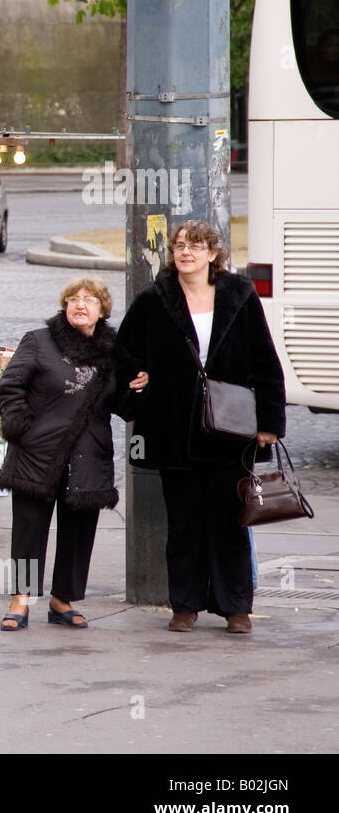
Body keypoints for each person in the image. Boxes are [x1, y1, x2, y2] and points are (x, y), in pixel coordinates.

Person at [115, 220, 286, 635]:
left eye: (195, 246)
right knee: (184, 523)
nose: (185, 252)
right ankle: (185, 605)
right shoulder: (155, 300)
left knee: (231, 520)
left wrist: (269, 423)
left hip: (231, 429)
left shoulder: (239, 296)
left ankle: (235, 607)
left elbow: (265, 359)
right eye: (179, 246)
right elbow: (124, 354)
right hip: (174, 428)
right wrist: (136, 381)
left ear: (213, 253)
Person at [0, 277, 143, 631]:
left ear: (102, 310)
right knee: (29, 528)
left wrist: (139, 390)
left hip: (88, 454)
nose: (80, 304)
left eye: (90, 300)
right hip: (38, 452)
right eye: (73, 299)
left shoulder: (115, 351)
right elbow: (10, 386)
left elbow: (121, 404)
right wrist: (20, 428)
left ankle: (63, 600)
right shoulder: (39, 341)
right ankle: (21, 599)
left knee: (78, 530)